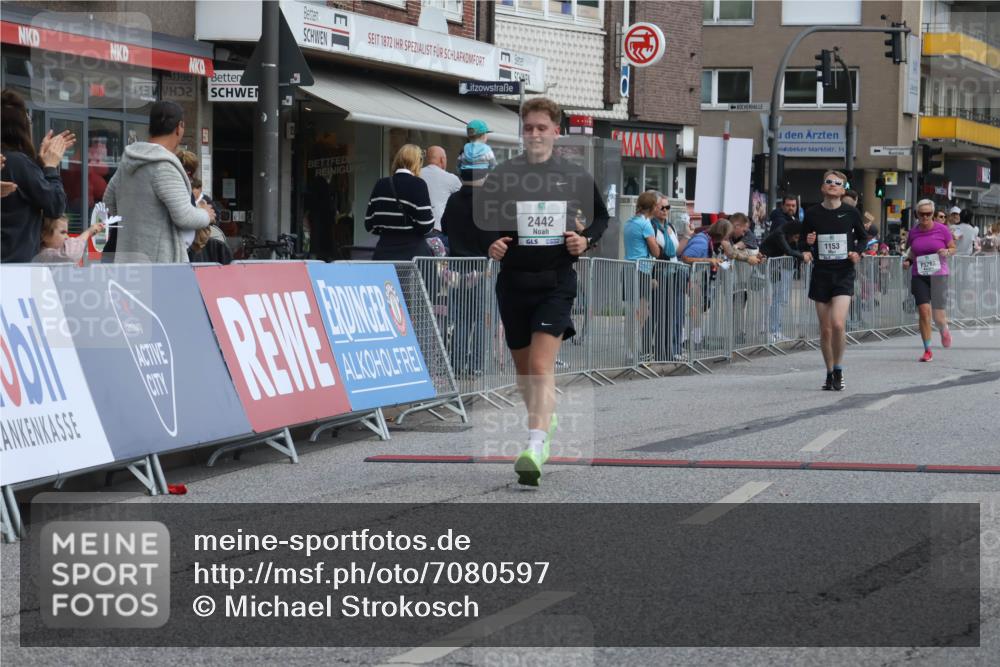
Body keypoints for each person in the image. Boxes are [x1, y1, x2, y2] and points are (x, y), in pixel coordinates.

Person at [479, 97, 608, 486]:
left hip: (555, 280)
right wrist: (491, 243)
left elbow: (601, 217)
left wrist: (585, 242)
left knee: (539, 366)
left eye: (541, 127)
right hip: (513, 281)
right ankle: (544, 421)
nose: (534, 134)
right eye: (528, 128)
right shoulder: (503, 174)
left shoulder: (574, 176)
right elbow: (482, 221)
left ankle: (535, 445)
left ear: (556, 131)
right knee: (524, 373)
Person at [102, 100, 214, 263]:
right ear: (179, 127)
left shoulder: (128, 161)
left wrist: (134, 222)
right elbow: (184, 217)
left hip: (128, 261)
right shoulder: (163, 166)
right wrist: (206, 215)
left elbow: (108, 200)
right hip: (160, 265)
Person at [800, 170, 868, 391]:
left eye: (836, 183)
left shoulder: (851, 212)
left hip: (843, 272)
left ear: (842, 189)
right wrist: (807, 244)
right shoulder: (812, 213)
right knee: (825, 328)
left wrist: (857, 253)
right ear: (822, 187)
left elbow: (863, 238)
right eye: (828, 182)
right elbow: (803, 240)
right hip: (821, 273)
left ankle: (839, 369)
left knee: (838, 323)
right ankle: (829, 372)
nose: (832, 185)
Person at [1, 89, 73, 262]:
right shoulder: (19, 163)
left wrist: (38, 164)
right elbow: (55, 205)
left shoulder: (17, 163)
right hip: (15, 269)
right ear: (22, 127)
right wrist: (50, 166)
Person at [440, 169, 494, 376]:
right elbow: (491, 235)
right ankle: (477, 365)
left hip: (456, 267)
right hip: (480, 267)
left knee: (461, 317)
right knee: (479, 317)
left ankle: (457, 363)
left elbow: (444, 227)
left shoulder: (454, 199)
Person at [902, 199, 956, 362]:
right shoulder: (913, 232)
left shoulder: (942, 230)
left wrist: (947, 251)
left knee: (938, 317)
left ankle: (944, 329)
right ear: (917, 214)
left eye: (928, 214)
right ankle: (927, 350)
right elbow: (912, 252)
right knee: (924, 312)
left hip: (939, 275)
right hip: (920, 276)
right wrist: (908, 261)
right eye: (921, 214)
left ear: (932, 214)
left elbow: (953, 248)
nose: (925, 217)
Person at [364, 144, 436, 261]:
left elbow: (369, 223)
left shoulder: (380, 184)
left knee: (385, 280)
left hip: (384, 252)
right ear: (418, 162)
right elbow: (426, 225)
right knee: (425, 279)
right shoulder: (418, 184)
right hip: (412, 255)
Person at [624, 192, 661, 358]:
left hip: (627, 268)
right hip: (642, 270)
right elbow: (656, 250)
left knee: (632, 311)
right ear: (652, 207)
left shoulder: (629, 222)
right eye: (657, 205)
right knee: (642, 312)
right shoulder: (645, 225)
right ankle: (638, 350)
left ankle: (630, 350)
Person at [760, 221, 809, 342]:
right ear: (792, 232)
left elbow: (794, 249)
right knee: (778, 299)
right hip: (772, 267)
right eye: (795, 236)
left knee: (781, 300)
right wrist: (803, 257)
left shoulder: (786, 234)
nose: (795, 239)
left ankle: (777, 330)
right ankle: (773, 331)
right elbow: (789, 251)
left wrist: (803, 253)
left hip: (778, 267)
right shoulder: (779, 234)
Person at [420, 145, 461, 231]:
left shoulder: (416, 174)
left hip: (419, 228)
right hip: (439, 228)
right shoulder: (451, 178)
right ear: (442, 160)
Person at [34, 215, 104, 264]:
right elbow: (71, 253)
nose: (67, 237)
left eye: (67, 232)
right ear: (45, 236)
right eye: (62, 232)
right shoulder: (46, 254)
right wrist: (88, 232)